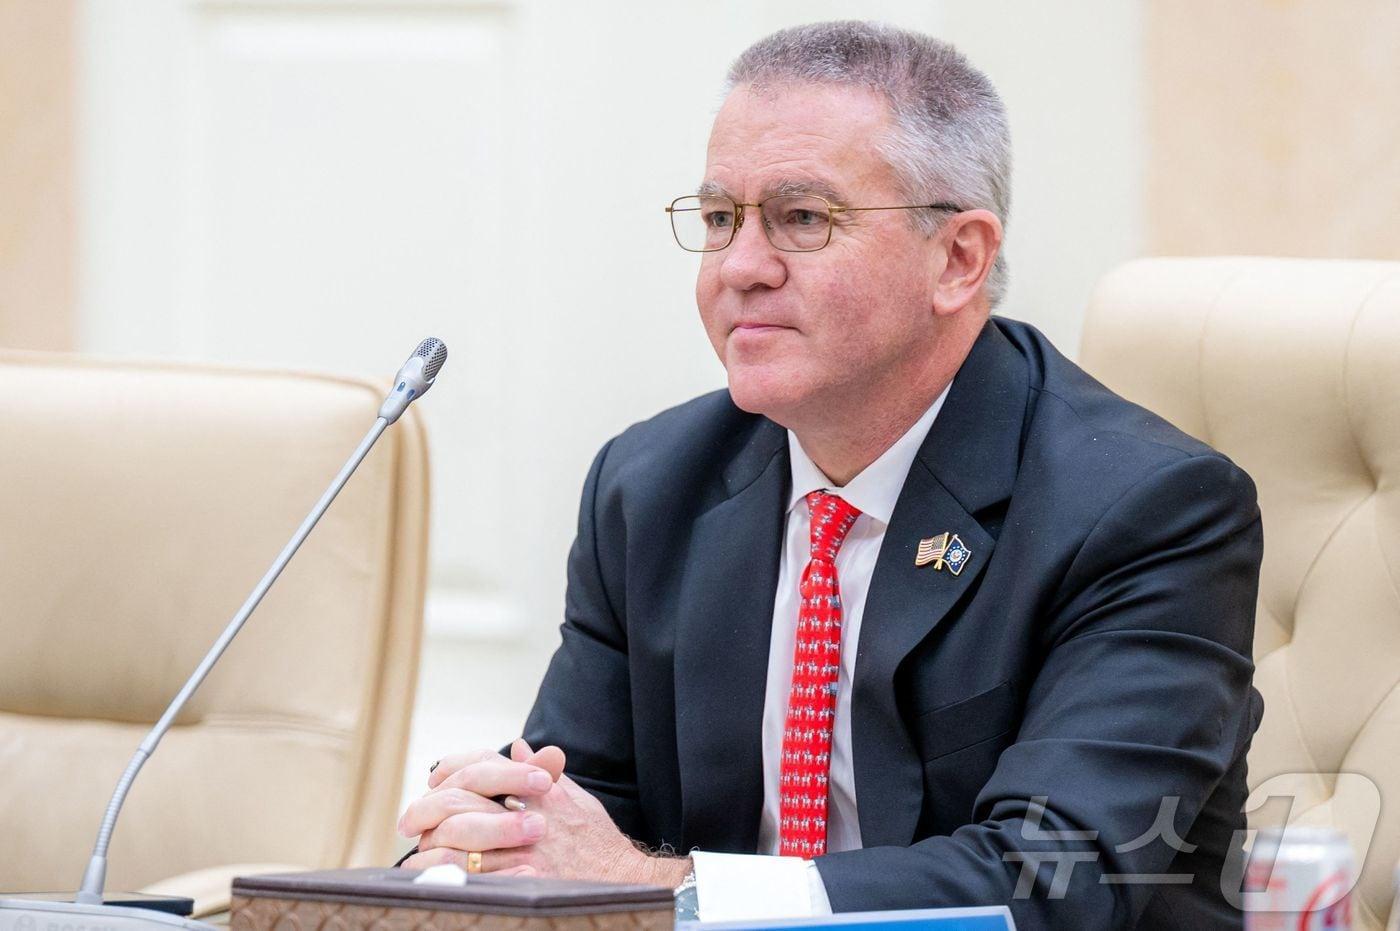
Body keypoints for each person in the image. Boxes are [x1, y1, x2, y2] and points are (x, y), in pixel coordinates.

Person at [396, 21, 1264, 930]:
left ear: (958, 259)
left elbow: (1050, 879)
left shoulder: (1147, 510)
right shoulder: (651, 488)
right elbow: (583, 802)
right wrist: (491, 839)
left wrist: (669, 888)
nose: (739, 267)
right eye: (722, 218)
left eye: (802, 219)